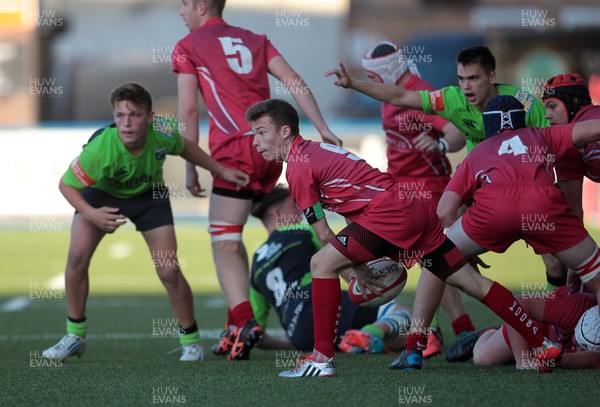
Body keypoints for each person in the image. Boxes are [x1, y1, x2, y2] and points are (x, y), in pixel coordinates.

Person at [248, 98, 563, 378]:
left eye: (261, 132)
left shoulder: (298, 168)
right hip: (411, 209)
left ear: (286, 131)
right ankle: (541, 342)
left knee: (320, 263)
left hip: (389, 214)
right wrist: (356, 262)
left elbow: (324, 234)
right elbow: (351, 207)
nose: (255, 141)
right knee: (470, 282)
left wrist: (354, 269)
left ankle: (321, 359)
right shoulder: (313, 151)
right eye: (254, 134)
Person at [172, 0, 341, 361]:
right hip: (270, 149)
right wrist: (322, 128)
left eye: (184, 4)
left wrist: (190, 163)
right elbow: (294, 81)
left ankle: (244, 321)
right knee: (286, 224)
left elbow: (188, 108)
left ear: (202, 6)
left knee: (225, 241)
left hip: (233, 151)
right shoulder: (255, 39)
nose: (180, 11)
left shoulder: (188, 47)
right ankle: (255, 315)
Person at [42, 82, 249, 362]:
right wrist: (93, 214)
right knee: (77, 258)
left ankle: (191, 342)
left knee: (168, 271)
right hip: (101, 196)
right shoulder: (101, 148)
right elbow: (66, 185)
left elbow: (187, 148)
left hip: (150, 197)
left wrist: (221, 170)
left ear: (150, 117)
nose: (126, 123)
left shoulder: (162, 132)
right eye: (120, 115)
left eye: (135, 115)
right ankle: (75, 336)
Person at [434, 95, 600, 367]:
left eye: (552, 107)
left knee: (436, 259)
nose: (547, 115)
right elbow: (592, 129)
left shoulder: (481, 150)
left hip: (497, 211)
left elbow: (444, 212)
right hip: (542, 210)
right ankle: (450, 335)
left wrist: (461, 253)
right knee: (483, 355)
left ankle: (417, 341)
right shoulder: (578, 308)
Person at [361, 41, 476, 357]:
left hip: (428, 191)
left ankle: (439, 331)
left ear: (386, 70)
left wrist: (439, 145)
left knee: (437, 260)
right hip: (400, 190)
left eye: (373, 74)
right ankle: (457, 329)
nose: (370, 78)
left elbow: (455, 133)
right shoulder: (392, 92)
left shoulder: (420, 94)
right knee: (439, 261)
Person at [243, 184, 411, 354]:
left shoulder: (256, 262)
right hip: (319, 304)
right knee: (404, 315)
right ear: (278, 214)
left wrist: (267, 338)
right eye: (293, 207)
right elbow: (340, 258)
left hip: (299, 334)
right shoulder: (303, 231)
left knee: (391, 342)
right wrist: (365, 285)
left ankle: (358, 340)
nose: (300, 211)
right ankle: (370, 334)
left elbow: (256, 330)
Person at [327, 45, 548, 152]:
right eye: (461, 79)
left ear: (492, 77)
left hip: (522, 178)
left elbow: (556, 139)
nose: (466, 86)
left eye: (473, 78)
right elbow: (402, 96)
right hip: (479, 173)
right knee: (447, 211)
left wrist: (440, 145)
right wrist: (353, 84)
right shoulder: (451, 98)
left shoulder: (524, 103)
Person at [540, 73, 600, 288]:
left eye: (552, 106)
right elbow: (574, 212)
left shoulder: (585, 128)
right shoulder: (564, 143)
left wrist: (580, 261)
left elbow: (574, 214)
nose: (547, 115)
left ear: (573, 103)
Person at [471, 282, 600, 370]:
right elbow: (516, 304)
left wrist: (555, 358)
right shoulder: (573, 309)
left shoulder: (595, 356)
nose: (577, 350)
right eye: (578, 344)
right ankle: (490, 332)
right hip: (538, 323)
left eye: (584, 349)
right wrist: (523, 358)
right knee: (482, 358)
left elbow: (565, 361)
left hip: (554, 343)